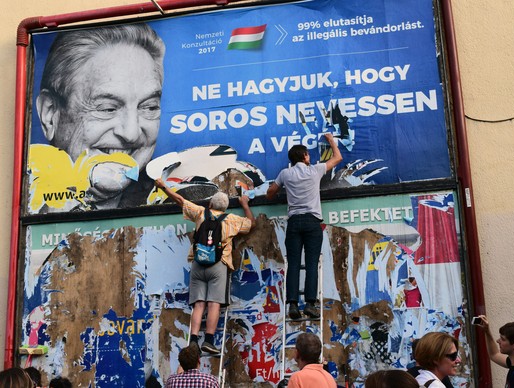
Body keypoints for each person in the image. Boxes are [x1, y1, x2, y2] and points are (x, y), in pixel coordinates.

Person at [36, 24, 165, 210]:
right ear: (50, 115)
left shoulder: (174, 206)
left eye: (149, 107)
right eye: (107, 108)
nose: (131, 133)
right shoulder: (30, 208)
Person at [155, 178, 255, 354]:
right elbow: (251, 224)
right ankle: (208, 340)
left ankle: (193, 340)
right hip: (218, 265)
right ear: (225, 208)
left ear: (210, 203)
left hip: (198, 263)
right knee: (214, 304)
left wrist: (163, 186)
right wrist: (245, 205)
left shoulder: (201, 213)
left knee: (199, 304)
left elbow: (180, 200)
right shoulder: (231, 220)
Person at [266, 133, 342, 320]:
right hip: (312, 222)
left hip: (294, 222)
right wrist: (331, 140)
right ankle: (309, 304)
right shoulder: (315, 170)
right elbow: (338, 158)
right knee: (311, 264)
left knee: (293, 264)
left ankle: (292, 304)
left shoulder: (285, 174)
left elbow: (270, 193)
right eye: (308, 155)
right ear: (305, 156)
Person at [475, 316, 514, 388]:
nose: (498, 341)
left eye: (502, 339)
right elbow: (494, 354)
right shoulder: (513, 363)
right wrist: (487, 331)